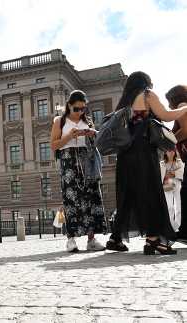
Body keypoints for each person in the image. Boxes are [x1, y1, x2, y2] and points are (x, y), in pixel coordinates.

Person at [105, 72, 187, 255]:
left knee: (128, 197)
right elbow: (165, 115)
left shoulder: (126, 101)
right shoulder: (147, 95)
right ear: (145, 83)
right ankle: (153, 240)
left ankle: (115, 238)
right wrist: (185, 108)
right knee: (150, 193)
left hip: (125, 155)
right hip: (142, 153)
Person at [51, 90, 106, 252]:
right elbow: (54, 145)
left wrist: (92, 134)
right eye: (77, 109)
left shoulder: (87, 121)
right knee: (71, 199)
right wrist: (69, 136)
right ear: (69, 106)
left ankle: (91, 239)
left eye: (83, 109)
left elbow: (97, 143)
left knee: (91, 197)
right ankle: (71, 239)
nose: (80, 112)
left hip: (87, 160)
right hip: (68, 161)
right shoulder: (59, 121)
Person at [166, 85, 187, 243]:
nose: (168, 106)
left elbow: (186, 130)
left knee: (185, 193)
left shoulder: (181, 106)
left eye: (168, 101)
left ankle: (185, 232)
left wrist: (169, 141)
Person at [160, 149, 184, 233]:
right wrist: (173, 173)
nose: (171, 152)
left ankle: (177, 226)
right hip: (167, 185)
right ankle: (171, 226)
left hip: (177, 184)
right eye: (169, 151)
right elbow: (161, 176)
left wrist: (172, 173)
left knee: (178, 207)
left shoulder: (179, 162)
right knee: (170, 207)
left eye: (173, 151)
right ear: (165, 152)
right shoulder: (162, 164)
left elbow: (182, 173)